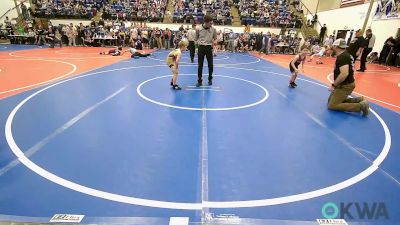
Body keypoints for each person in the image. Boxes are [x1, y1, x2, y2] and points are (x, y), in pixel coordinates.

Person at [327, 39, 369, 116]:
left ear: (336, 46)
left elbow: (344, 74)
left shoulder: (342, 57)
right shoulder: (346, 54)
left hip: (345, 86)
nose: (332, 47)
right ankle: (358, 100)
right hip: (344, 84)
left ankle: (361, 106)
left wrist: (334, 85)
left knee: (332, 105)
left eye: (333, 46)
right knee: (330, 101)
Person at [196, 14, 217, 87]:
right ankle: (199, 80)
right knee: (200, 65)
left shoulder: (213, 29)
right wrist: (196, 48)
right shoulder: (198, 28)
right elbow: (196, 39)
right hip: (201, 47)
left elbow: (215, 39)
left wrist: (214, 46)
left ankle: (210, 79)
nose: (211, 24)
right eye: (210, 23)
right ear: (206, 22)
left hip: (209, 48)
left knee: (210, 65)